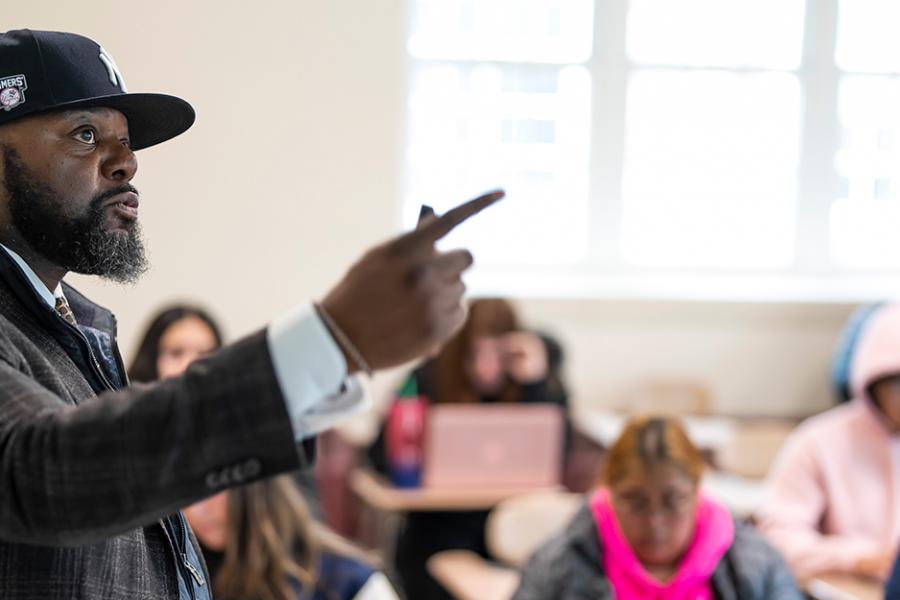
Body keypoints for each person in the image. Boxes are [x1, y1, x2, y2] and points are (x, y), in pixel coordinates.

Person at [0, 28, 502, 599]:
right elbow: (45, 473)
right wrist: (331, 338)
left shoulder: (78, 326)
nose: (127, 163)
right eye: (85, 135)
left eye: (126, 140)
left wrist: (343, 354)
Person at [368, 297, 569, 600]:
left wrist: (536, 385)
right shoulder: (428, 379)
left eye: (498, 354)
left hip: (508, 526)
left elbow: (556, 457)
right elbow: (379, 457)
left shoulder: (530, 389)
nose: (485, 367)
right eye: (476, 353)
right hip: (440, 529)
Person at [513, 416, 802, 599]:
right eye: (635, 503)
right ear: (609, 493)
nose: (655, 523)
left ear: (698, 491)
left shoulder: (755, 564)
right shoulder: (558, 564)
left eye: (673, 502)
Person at [757, 303, 900, 582]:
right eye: (896, 383)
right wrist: (855, 559)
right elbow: (776, 536)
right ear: (871, 381)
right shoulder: (818, 441)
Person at [185, 477, 398, 600]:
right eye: (182, 498)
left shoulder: (346, 581)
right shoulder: (177, 579)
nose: (196, 512)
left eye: (210, 491)